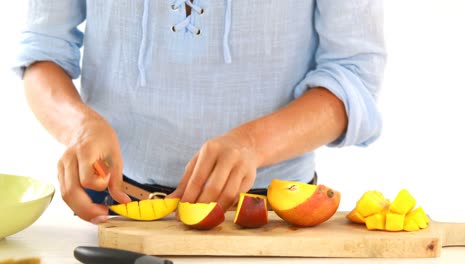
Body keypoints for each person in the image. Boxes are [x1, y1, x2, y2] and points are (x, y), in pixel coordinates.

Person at [13, 0, 386, 223]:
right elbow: (42, 50)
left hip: (268, 218)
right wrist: (79, 129)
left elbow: (352, 75)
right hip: (113, 212)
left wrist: (252, 143)